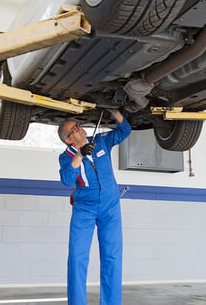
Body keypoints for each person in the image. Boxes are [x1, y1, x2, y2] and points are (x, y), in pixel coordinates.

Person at [58, 109, 131, 305]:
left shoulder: (100, 140)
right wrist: (80, 155)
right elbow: (66, 179)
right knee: (77, 258)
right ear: (68, 140)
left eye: (78, 125)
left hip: (110, 207)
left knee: (112, 257)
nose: (80, 128)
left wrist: (115, 112)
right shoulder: (66, 157)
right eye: (74, 129)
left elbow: (125, 131)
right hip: (84, 210)